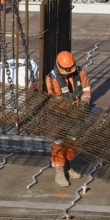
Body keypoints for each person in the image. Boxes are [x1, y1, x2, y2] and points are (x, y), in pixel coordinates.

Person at [46, 51, 91, 187]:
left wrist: (84, 102)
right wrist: (70, 109)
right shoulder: (52, 78)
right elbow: (56, 99)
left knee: (73, 140)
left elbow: (86, 89)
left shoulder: (80, 72)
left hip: (76, 113)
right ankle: (59, 171)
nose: (68, 74)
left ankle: (68, 166)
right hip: (58, 114)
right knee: (59, 142)